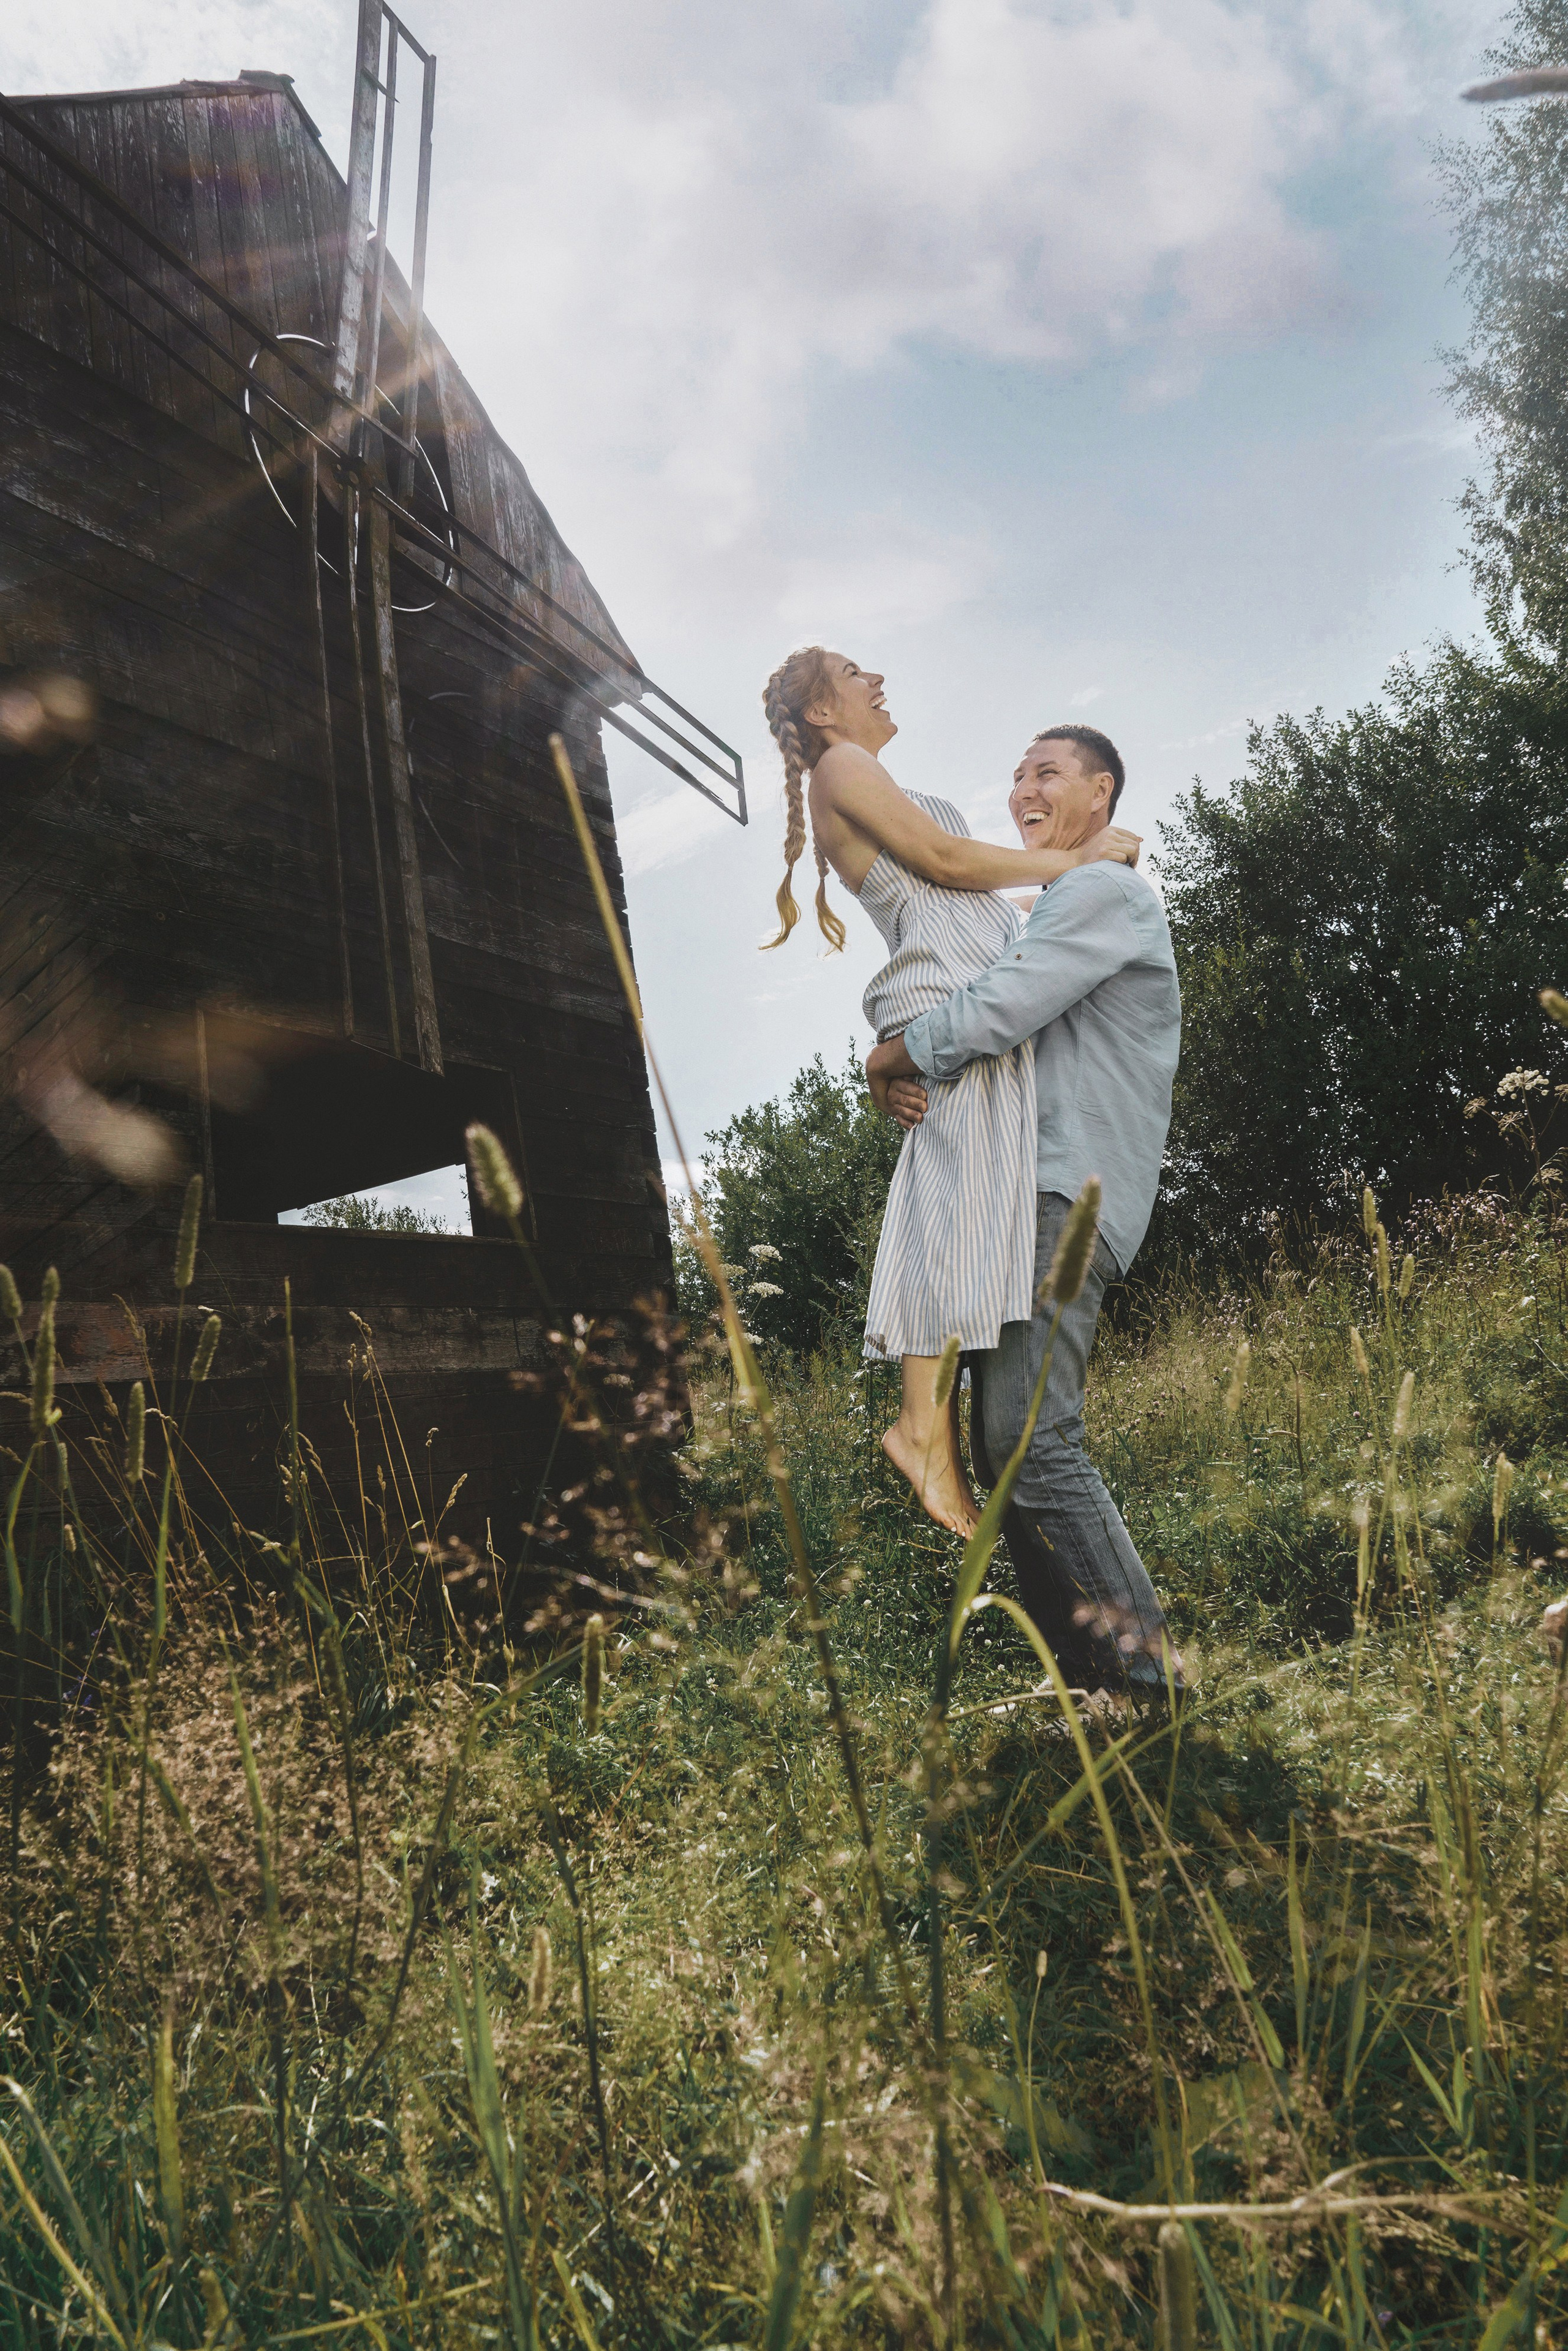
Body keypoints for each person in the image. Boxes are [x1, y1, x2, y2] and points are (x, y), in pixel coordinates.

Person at [760, 644, 1141, 1536]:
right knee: (952, 1197)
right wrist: (1078, 862)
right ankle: (920, 1426)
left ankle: (930, 1426)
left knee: (972, 1209)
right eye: (855, 674)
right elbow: (945, 858)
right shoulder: (842, 765)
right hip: (947, 1004)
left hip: (970, 1006)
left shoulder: (867, 775)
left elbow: (972, 900)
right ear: (821, 712)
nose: (877, 679)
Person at [866, 725, 1183, 1700]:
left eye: (1047, 772)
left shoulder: (1101, 895)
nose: (1023, 790)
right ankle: (1090, 1676)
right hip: (1025, 1194)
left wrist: (898, 1052)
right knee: (1006, 1446)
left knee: (1033, 1440)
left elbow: (1004, 1002)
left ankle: (1149, 1683)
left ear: (1103, 791)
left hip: (1064, 1193)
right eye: (1014, 776)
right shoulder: (1066, 894)